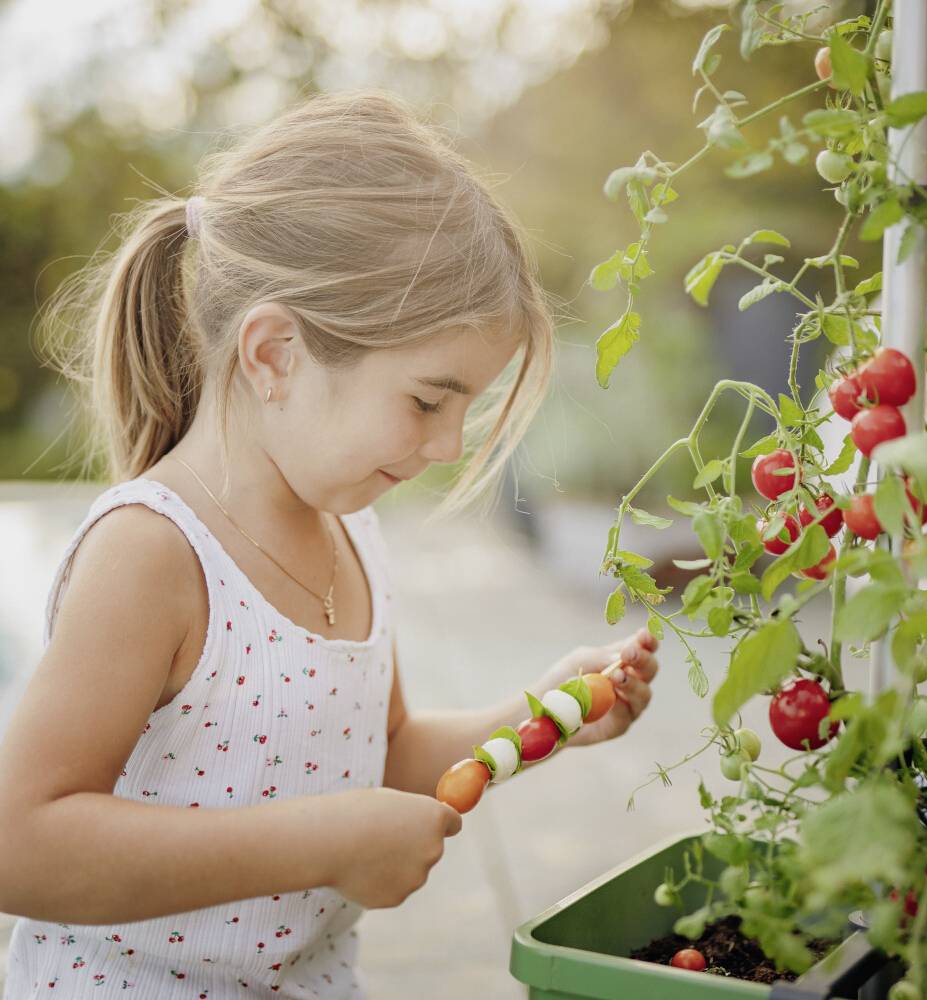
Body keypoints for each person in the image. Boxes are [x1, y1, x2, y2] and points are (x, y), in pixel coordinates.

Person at [0, 90, 660, 999]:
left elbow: (376, 756)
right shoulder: (154, 553)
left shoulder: (349, 530)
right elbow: (21, 844)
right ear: (275, 356)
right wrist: (320, 843)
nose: (449, 444)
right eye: (430, 399)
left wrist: (543, 715)